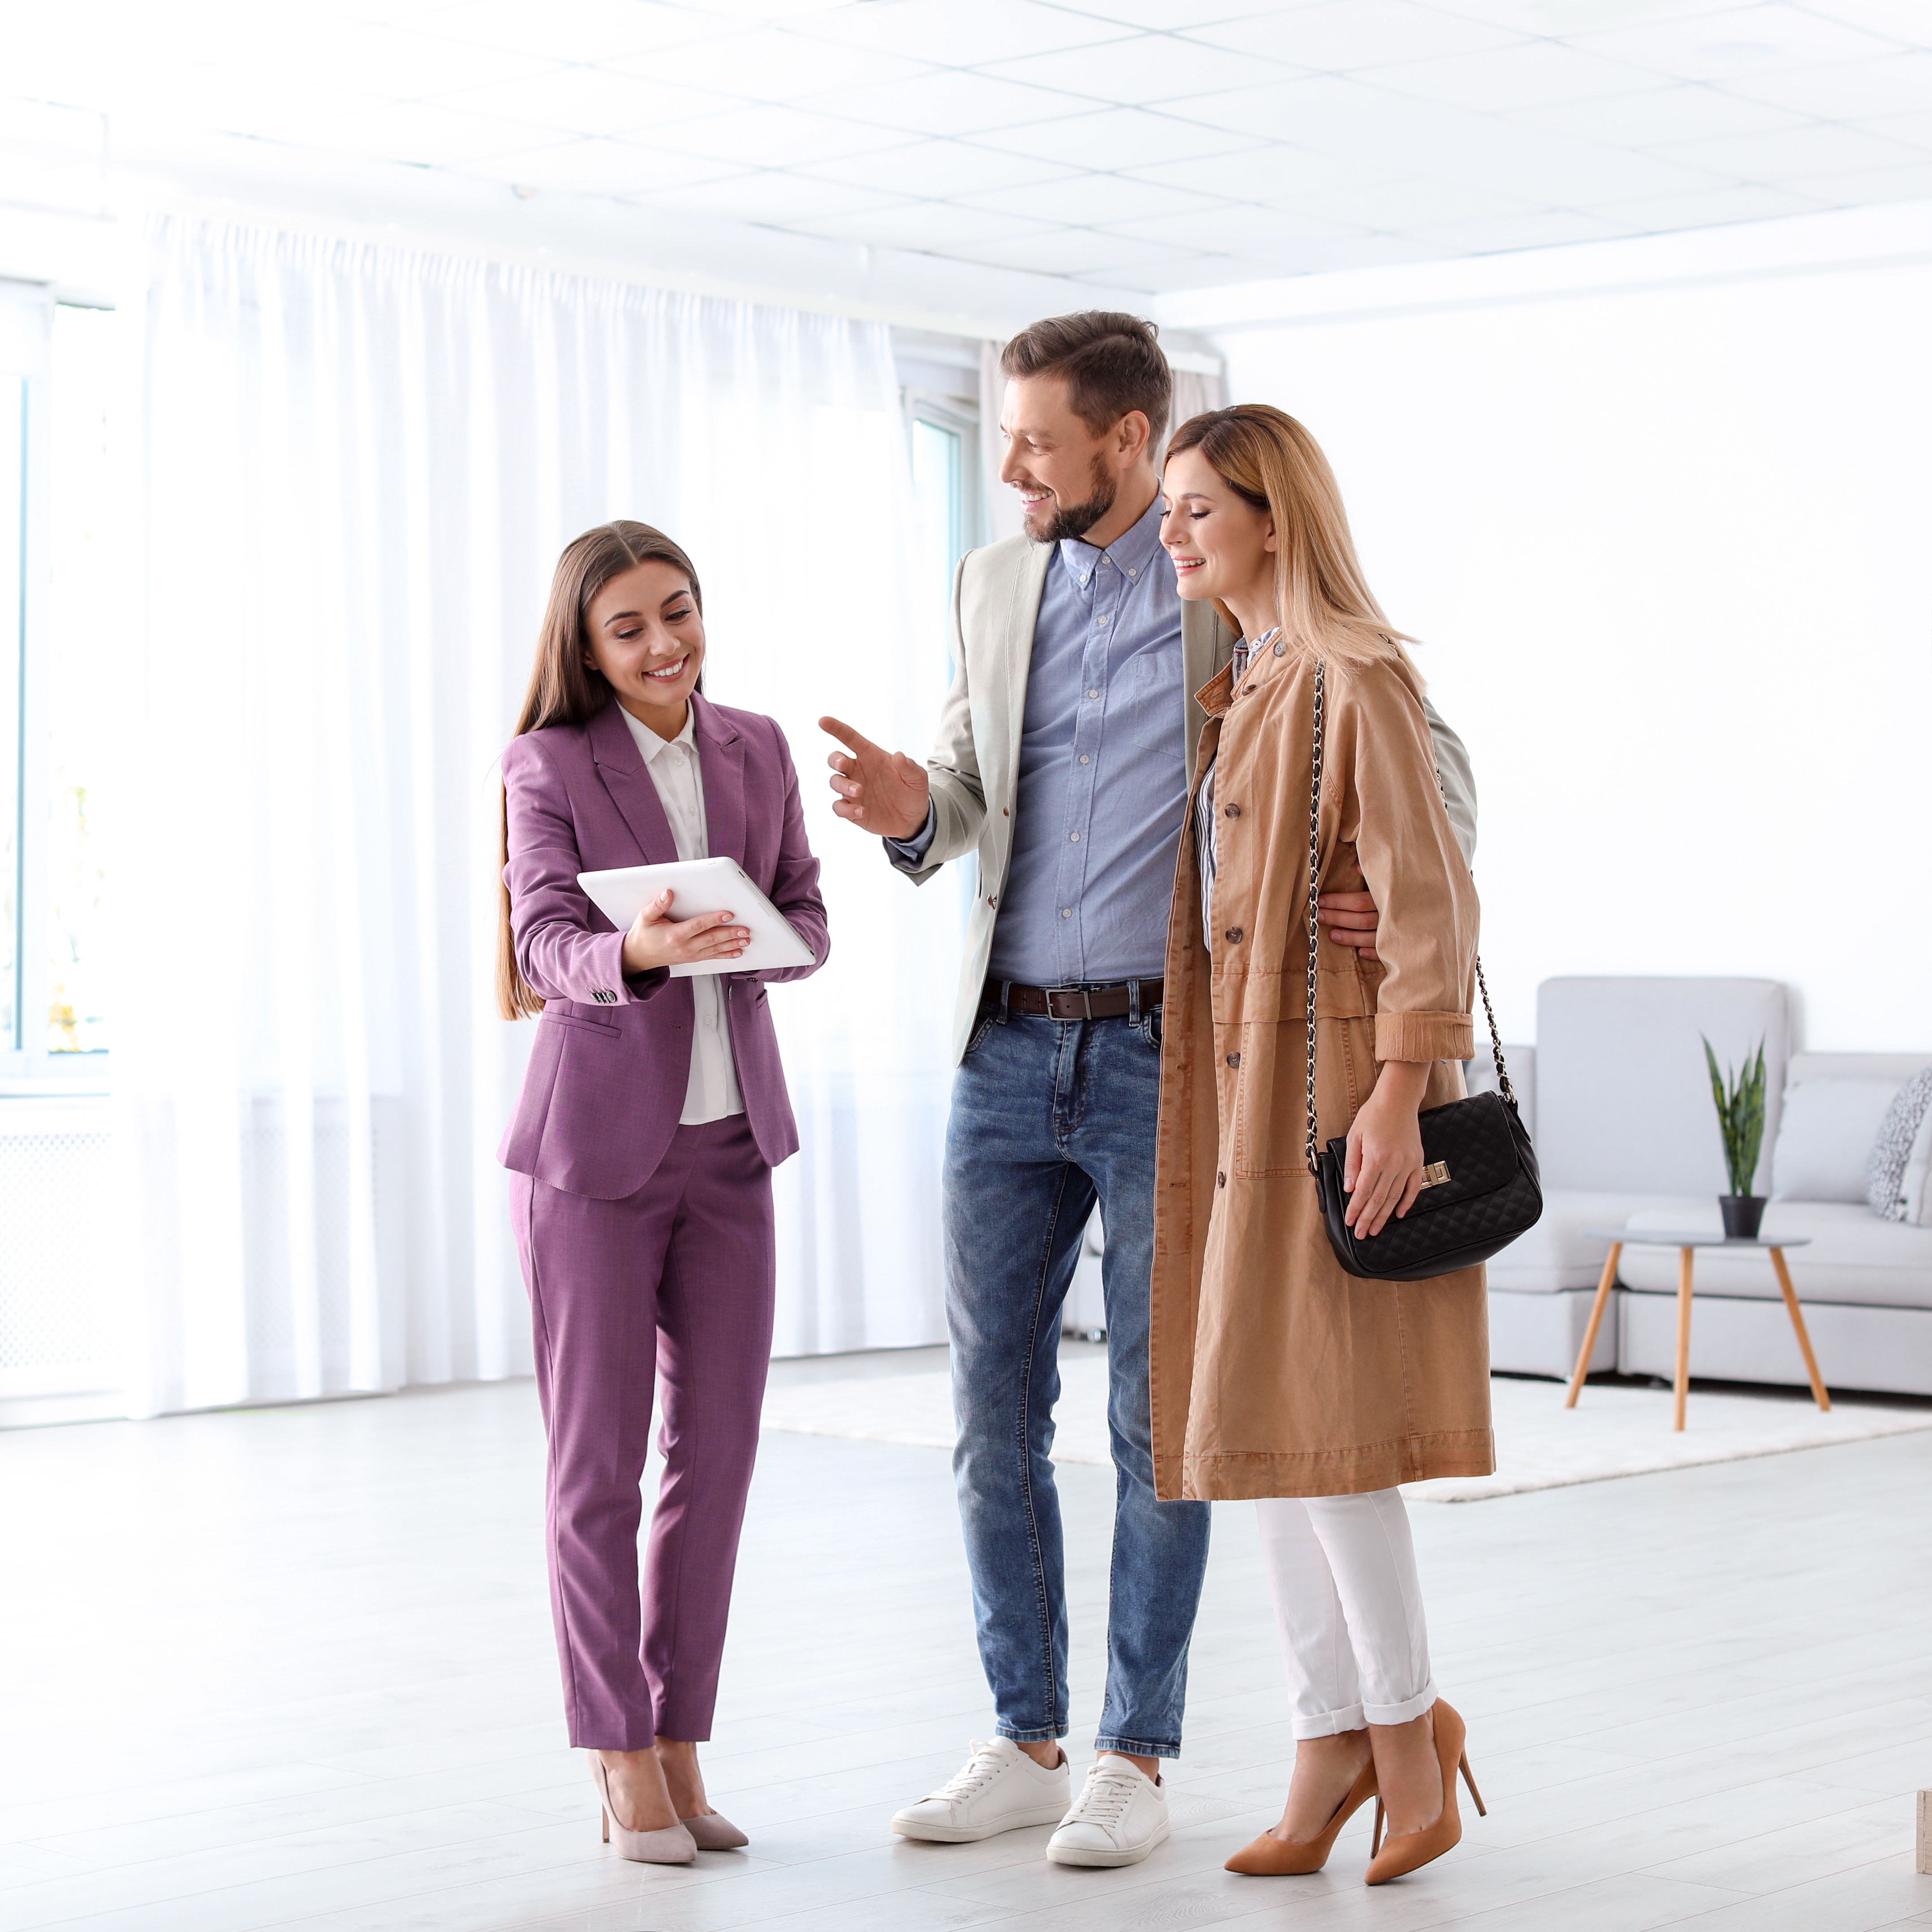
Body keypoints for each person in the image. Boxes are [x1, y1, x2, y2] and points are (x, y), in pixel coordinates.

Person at [819, 313, 1476, 1869]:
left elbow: (1421, 770)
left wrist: (1383, 903)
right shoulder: (991, 582)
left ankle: (1138, 1748)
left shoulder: (1231, 595)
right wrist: (918, 815)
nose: (1012, 467)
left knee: (1165, 1419)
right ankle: (1023, 1736)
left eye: (1038, 439)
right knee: (990, 1412)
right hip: (1004, 1042)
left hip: (1174, 1054)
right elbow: (967, 792)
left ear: (1128, 437)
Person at [1152, 405, 1493, 1885]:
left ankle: (1409, 1743)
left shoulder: (1356, 678)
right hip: (1243, 1091)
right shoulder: (1252, 683)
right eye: (1166, 508)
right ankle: (1328, 1737)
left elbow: (1428, 900)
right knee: (1260, 1442)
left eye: (1197, 507)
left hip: (1340, 1087)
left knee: (1331, 1439)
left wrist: (1402, 1091)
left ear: (1274, 517)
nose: (1172, 532)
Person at [497, 521, 828, 1865]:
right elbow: (542, 942)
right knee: (598, 1471)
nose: (662, 645)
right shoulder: (548, 761)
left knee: (720, 1457)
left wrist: (766, 938)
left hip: (732, 1146)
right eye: (627, 627)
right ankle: (615, 1748)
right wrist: (632, 948)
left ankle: (682, 1735)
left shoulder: (754, 744)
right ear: (585, 646)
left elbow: (808, 916)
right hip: (592, 1158)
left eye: (677, 612)